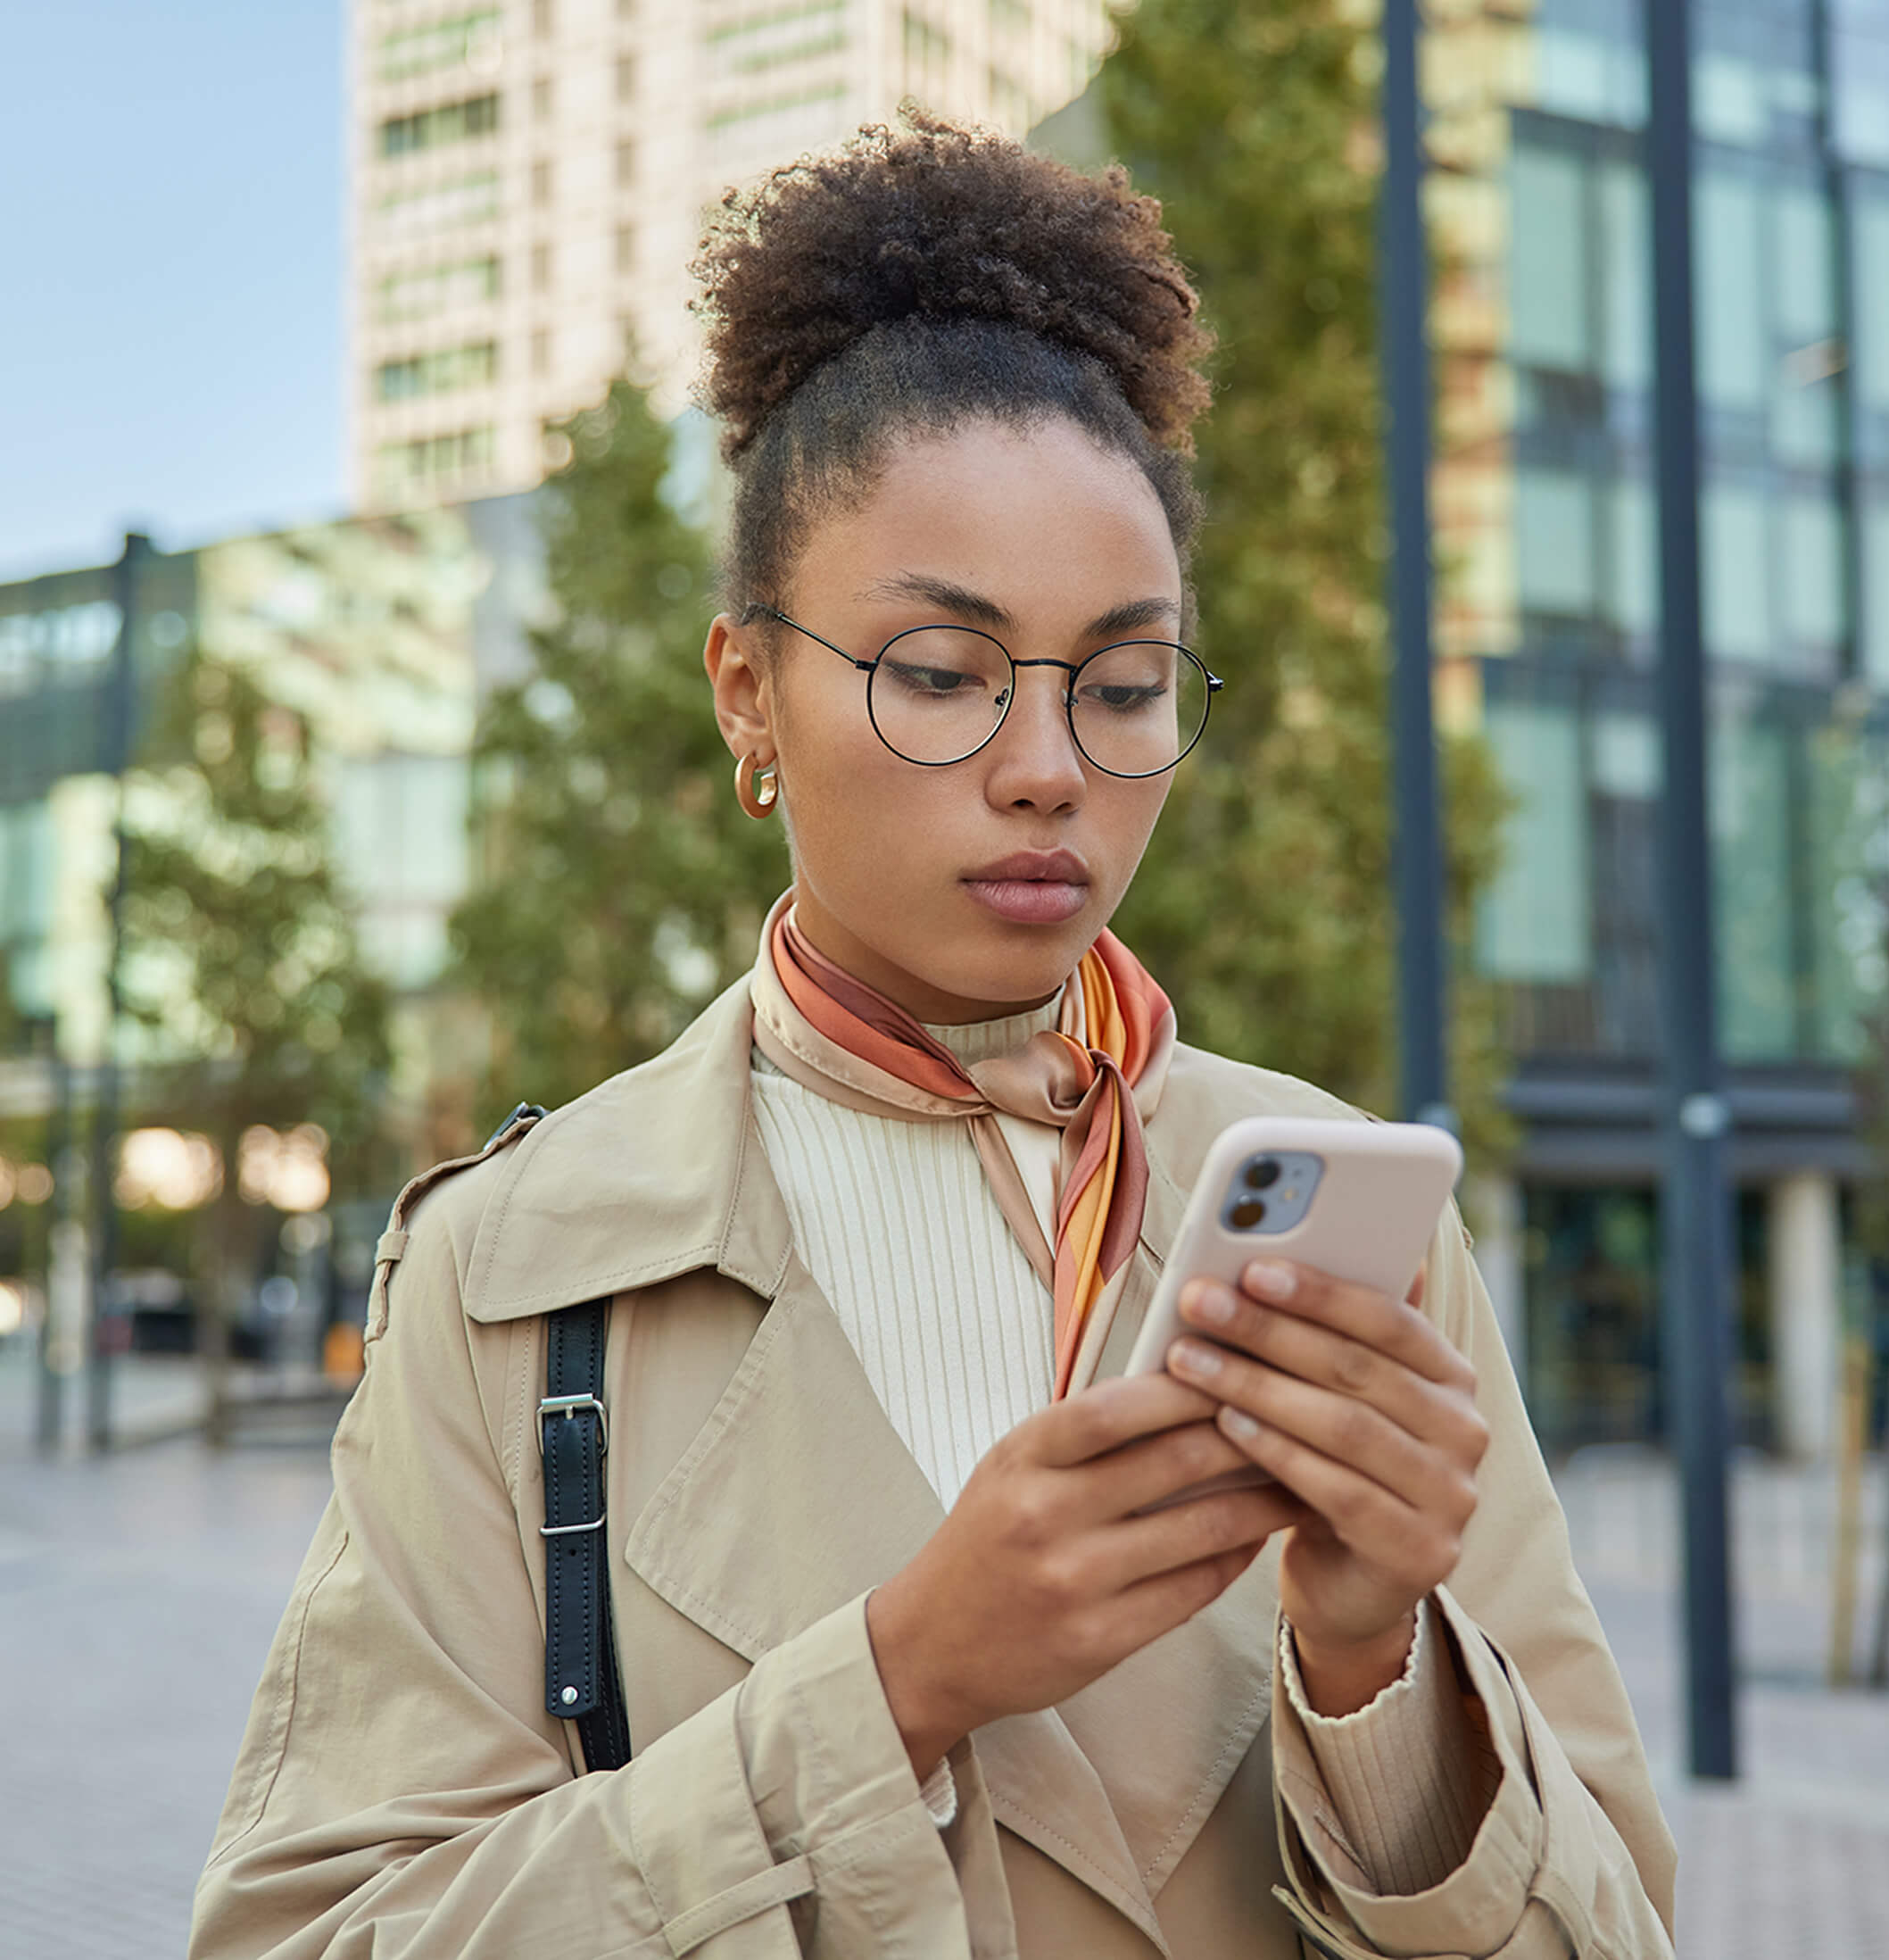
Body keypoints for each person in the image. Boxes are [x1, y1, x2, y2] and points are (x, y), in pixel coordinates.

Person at [190, 117, 1675, 1959]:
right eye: (944, 675)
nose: (1051, 769)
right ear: (749, 689)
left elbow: (1622, 1924)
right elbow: (315, 1934)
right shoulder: (513, 1273)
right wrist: (892, 1685)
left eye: (1124, 686)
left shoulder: (1347, 1231)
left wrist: (1379, 1672)